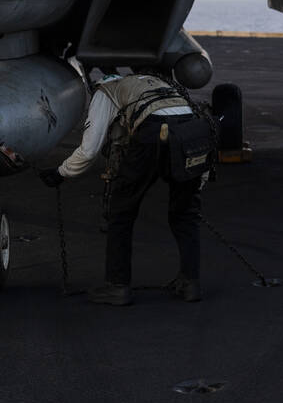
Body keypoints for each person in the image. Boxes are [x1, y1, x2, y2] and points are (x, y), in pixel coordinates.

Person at [39, 68, 215, 306]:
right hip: (188, 131)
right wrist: (197, 184)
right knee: (185, 214)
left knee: (121, 214)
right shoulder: (161, 83)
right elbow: (198, 144)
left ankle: (118, 286)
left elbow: (89, 150)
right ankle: (190, 283)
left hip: (151, 133)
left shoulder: (106, 92)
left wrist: (61, 172)